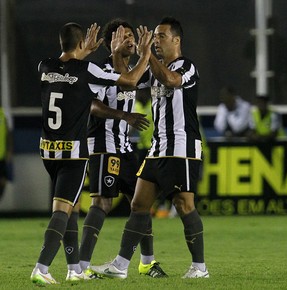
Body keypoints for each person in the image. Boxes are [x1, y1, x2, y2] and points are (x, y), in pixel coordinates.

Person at [30, 22, 153, 286]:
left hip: (48, 151)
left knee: (71, 207)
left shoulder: (45, 67)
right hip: (74, 153)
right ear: (83, 43)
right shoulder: (90, 69)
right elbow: (130, 82)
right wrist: (145, 53)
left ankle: (75, 268)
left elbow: (69, 71)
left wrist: (81, 52)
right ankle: (41, 268)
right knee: (63, 211)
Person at [91, 16, 209, 279]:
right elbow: (129, 81)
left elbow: (171, 80)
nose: (156, 41)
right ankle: (121, 265)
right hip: (157, 149)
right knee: (138, 204)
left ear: (176, 40)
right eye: (154, 37)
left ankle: (199, 267)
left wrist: (147, 55)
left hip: (182, 147)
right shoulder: (152, 69)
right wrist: (113, 56)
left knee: (184, 205)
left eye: (161, 36)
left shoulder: (186, 66)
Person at [78, 18, 167, 278]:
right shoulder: (100, 69)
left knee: (141, 203)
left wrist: (147, 53)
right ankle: (81, 268)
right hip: (103, 145)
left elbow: (154, 76)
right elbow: (91, 105)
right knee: (102, 203)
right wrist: (123, 116)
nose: (129, 39)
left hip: (125, 147)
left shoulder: (134, 70)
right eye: (122, 35)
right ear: (110, 43)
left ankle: (147, 262)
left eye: (131, 35)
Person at [0, 107, 13, 201]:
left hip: (2, 156)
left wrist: (9, 151)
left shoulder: (2, 114)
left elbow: (8, 134)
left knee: (3, 181)